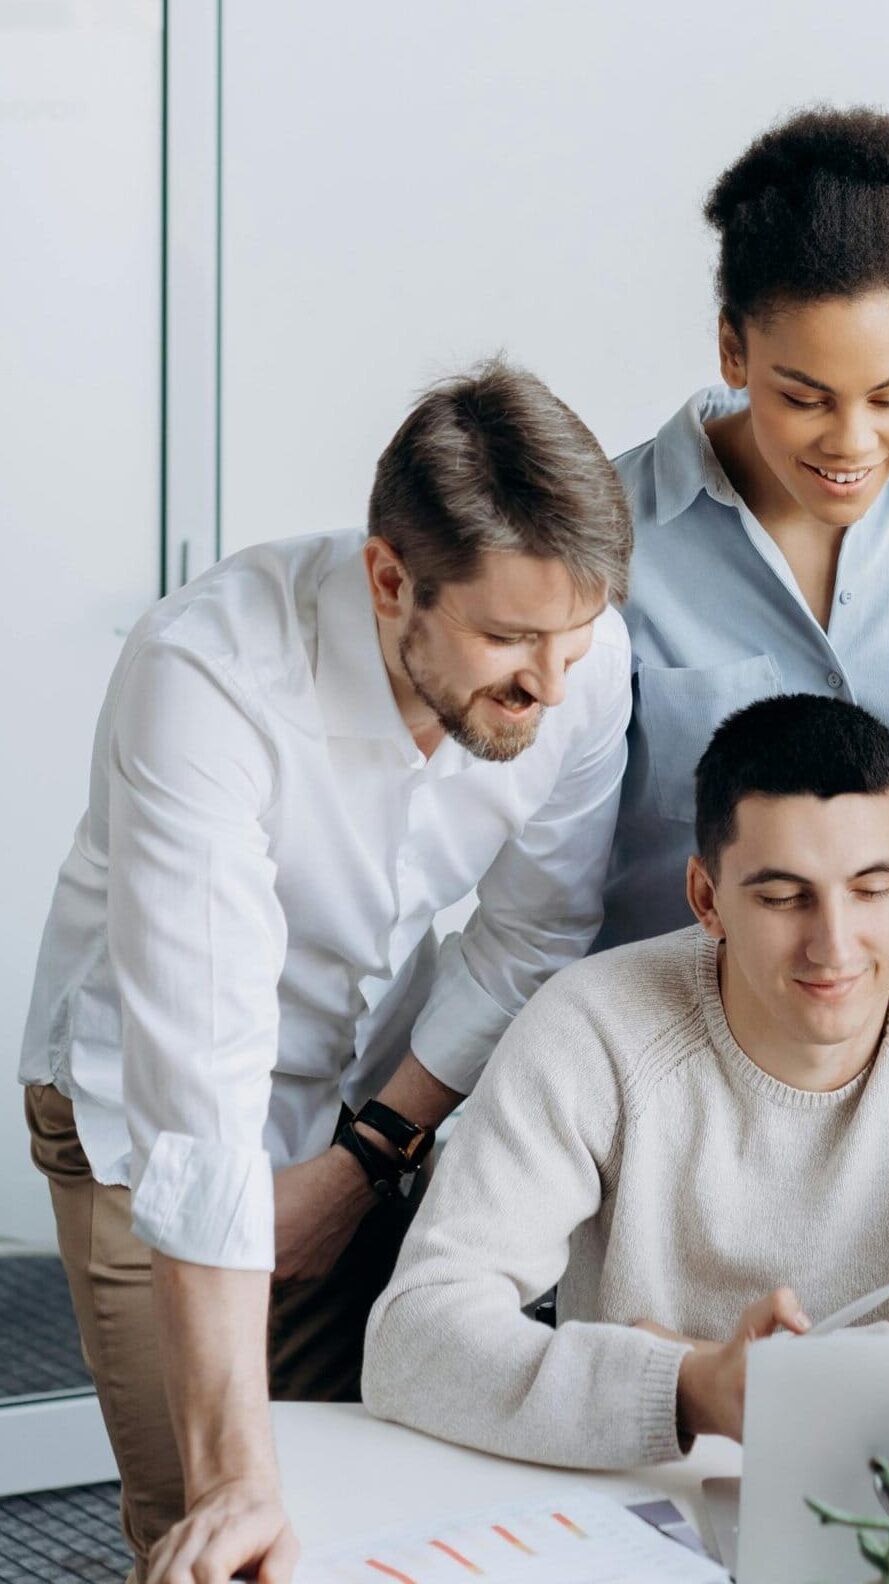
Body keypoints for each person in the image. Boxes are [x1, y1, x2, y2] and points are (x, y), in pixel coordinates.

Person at [19, 360, 635, 1584]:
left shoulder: (577, 659)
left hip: (370, 1095)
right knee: (221, 1534)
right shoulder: (207, 679)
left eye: (571, 637)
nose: (551, 686)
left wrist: (363, 1162)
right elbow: (200, 1104)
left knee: (386, 1501)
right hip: (144, 1130)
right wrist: (237, 1478)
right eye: (509, 639)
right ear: (390, 578)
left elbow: (531, 936)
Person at [362, 694, 889, 1464]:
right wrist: (691, 1385)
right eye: (782, 898)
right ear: (707, 898)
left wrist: (768, 1382)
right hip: (643, 1499)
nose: (833, 947)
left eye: (872, 890)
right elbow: (414, 1337)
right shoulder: (593, 1026)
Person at [595, 106, 889, 948]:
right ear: (732, 352)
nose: (853, 442)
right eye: (805, 398)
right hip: (671, 1034)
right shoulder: (610, 538)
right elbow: (539, 874)